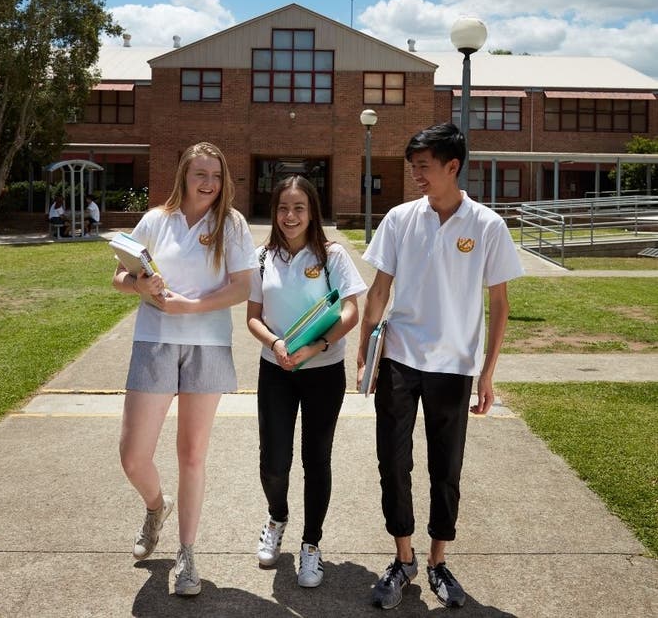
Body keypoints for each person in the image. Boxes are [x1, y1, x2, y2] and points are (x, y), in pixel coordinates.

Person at [358, 123, 524, 610]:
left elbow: (500, 303)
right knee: (393, 460)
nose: (417, 176)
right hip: (400, 357)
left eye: (424, 167)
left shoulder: (487, 226)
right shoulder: (400, 218)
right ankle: (403, 558)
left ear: (452, 167)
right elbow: (380, 288)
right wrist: (367, 345)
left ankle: (437, 561)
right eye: (414, 168)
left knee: (445, 466)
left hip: (454, 364)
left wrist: (488, 372)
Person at [112, 142, 256, 597]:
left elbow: (241, 288)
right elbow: (119, 275)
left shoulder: (230, 225)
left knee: (192, 453)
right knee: (133, 455)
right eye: (200, 174)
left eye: (216, 175)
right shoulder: (156, 219)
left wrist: (190, 306)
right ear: (184, 175)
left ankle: (187, 553)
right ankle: (157, 506)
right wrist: (140, 283)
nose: (209, 183)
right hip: (154, 342)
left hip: (207, 345)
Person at [247, 175, 366, 588]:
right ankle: (277, 517)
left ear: (312, 210)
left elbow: (351, 310)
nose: (290, 216)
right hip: (276, 370)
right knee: (274, 461)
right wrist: (277, 343)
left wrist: (317, 346)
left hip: (323, 372)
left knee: (317, 461)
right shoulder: (262, 256)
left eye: (299, 208)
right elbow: (252, 317)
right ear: (274, 211)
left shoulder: (332, 254)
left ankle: (311, 546)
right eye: (283, 208)